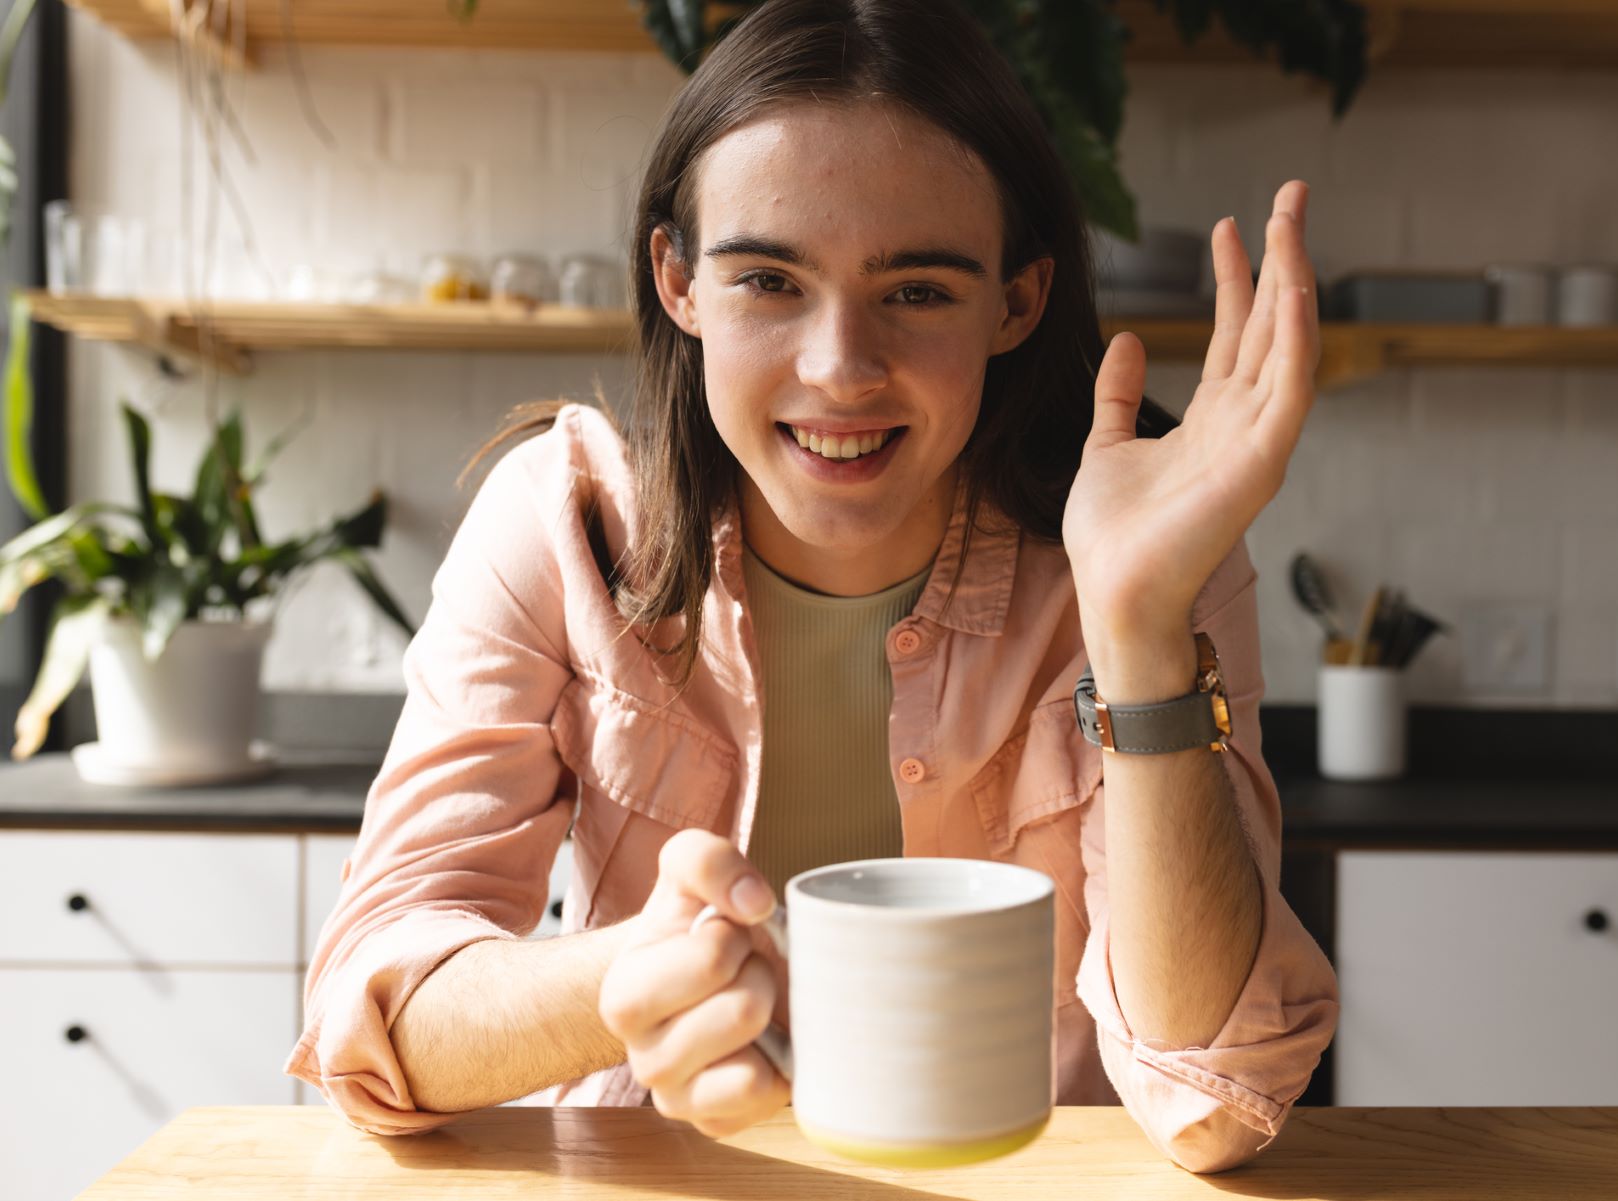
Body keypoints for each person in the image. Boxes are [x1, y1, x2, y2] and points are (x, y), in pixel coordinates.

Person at [284, 0, 1337, 1176]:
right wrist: (625, 975)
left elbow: (1220, 1092)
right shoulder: (562, 523)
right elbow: (369, 1027)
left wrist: (1139, 630)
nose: (840, 367)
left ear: (1018, 302)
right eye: (770, 282)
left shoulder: (1137, 540)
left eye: (920, 291)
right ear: (677, 282)